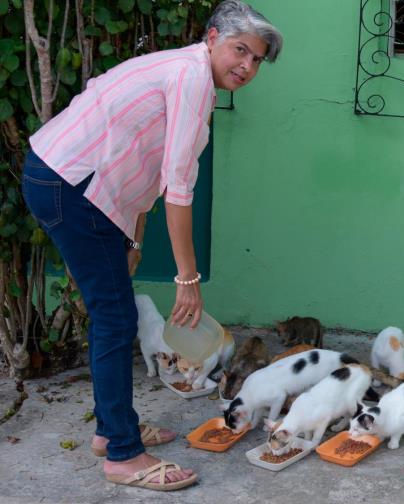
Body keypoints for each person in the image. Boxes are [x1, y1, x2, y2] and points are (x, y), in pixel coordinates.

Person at [21, 0, 282, 491]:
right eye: (240, 50)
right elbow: (178, 186)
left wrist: (134, 236)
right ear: (211, 38)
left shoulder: (190, 74)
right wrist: (188, 279)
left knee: (112, 317)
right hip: (70, 185)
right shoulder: (190, 79)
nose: (246, 66)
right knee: (117, 318)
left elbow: (143, 166)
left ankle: (111, 429)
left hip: (71, 183)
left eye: (257, 60)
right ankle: (122, 455)